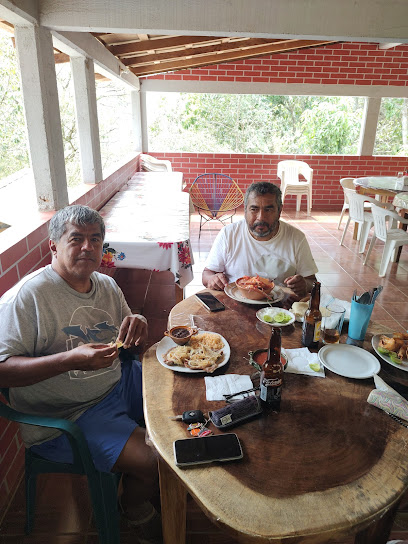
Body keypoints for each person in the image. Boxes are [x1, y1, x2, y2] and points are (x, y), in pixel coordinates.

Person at [0, 205, 161, 542]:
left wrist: (139, 325)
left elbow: (126, 341)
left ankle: (150, 484)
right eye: (76, 239)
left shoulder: (105, 285)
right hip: (70, 415)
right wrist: (69, 360)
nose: (88, 247)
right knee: (154, 460)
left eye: (95, 240)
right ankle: (132, 508)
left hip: (117, 383)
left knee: (180, 402)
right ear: (53, 246)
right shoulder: (28, 297)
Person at [202, 181, 318, 300]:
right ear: (245, 210)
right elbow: (207, 274)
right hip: (234, 305)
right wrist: (212, 279)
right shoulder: (228, 234)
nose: (261, 217)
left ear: (279, 211)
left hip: (279, 311)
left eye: (268, 210)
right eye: (254, 209)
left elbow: (311, 282)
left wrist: (303, 284)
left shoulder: (296, 238)